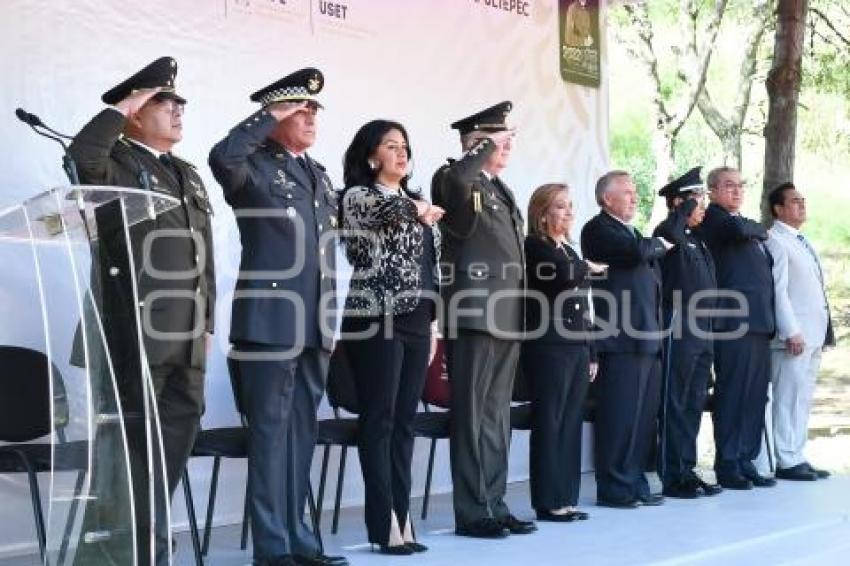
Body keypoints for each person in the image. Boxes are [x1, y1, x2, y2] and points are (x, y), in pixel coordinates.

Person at [68, 56, 215, 565]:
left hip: (186, 334)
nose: (176, 110)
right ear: (134, 111)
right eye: (163, 102)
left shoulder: (186, 174)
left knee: (175, 438)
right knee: (129, 447)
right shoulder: (117, 163)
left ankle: (144, 536)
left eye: (178, 103)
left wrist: (209, 323)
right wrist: (126, 103)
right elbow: (82, 158)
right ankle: (120, 546)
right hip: (130, 330)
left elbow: (204, 256)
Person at [208, 68, 346, 566]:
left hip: (314, 323)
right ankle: (272, 547)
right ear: (275, 114)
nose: (309, 116)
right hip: (268, 322)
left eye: (313, 110)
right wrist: (265, 118)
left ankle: (299, 539)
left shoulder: (317, 173)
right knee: (269, 436)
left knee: (301, 436)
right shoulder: (253, 167)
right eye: (298, 109)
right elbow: (222, 157)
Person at [338, 119, 443, 554]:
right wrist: (417, 209)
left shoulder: (418, 203)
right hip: (375, 317)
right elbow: (388, 213)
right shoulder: (358, 197)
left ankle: (404, 519)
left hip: (418, 319)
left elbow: (431, 265)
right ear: (370, 156)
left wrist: (434, 323)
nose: (401, 153)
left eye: (405, 145)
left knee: (405, 422)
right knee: (379, 420)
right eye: (391, 146)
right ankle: (384, 527)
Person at [432, 101, 536, 538]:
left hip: (506, 314)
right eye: (499, 138)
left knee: (496, 418)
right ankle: (473, 511)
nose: (508, 144)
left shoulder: (498, 187)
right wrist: (481, 149)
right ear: (477, 140)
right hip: (473, 313)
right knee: (473, 417)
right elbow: (456, 182)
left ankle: (494, 502)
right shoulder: (454, 176)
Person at [580, 170, 671, 509]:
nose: (635, 197)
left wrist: (656, 246)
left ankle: (634, 481)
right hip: (620, 338)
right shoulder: (599, 229)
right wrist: (660, 243)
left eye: (635, 192)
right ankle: (615, 486)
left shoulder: (630, 231)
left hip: (646, 336)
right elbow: (637, 253)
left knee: (642, 417)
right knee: (619, 416)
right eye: (628, 192)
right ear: (607, 198)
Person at [522, 183, 606, 522]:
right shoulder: (535, 247)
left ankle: (566, 496)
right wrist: (589, 266)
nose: (568, 212)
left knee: (571, 422)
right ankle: (547, 500)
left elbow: (584, 306)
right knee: (551, 421)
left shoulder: (570, 251)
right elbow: (559, 278)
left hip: (575, 345)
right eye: (560, 206)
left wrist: (593, 350)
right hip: (548, 345)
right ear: (542, 213)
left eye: (570, 206)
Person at [700, 166, 776, 490]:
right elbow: (744, 228)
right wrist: (757, 229)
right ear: (713, 191)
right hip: (733, 321)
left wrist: (756, 229)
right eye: (729, 186)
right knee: (733, 393)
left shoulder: (743, 225)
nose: (736, 191)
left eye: (740, 186)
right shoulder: (714, 219)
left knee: (755, 396)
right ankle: (729, 463)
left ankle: (747, 458)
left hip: (759, 322)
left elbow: (754, 228)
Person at [653, 167, 723, 498]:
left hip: (703, 328)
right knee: (676, 400)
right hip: (679, 326)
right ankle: (671, 475)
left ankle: (686, 468)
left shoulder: (697, 238)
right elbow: (668, 229)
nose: (704, 207)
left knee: (694, 401)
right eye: (698, 200)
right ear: (680, 202)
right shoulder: (670, 232)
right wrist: (682, 208)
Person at [764, 182, 834, 481]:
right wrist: (790, 330)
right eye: (794, 201)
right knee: (787, 397)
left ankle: (797, 453)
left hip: (814, 332)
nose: (801, 205)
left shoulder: (801, 240)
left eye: (803, 200)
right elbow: (779, 292)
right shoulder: (775, 240)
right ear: (778, 209)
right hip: (794, 336)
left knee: (802, 397)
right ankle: (785, 458)